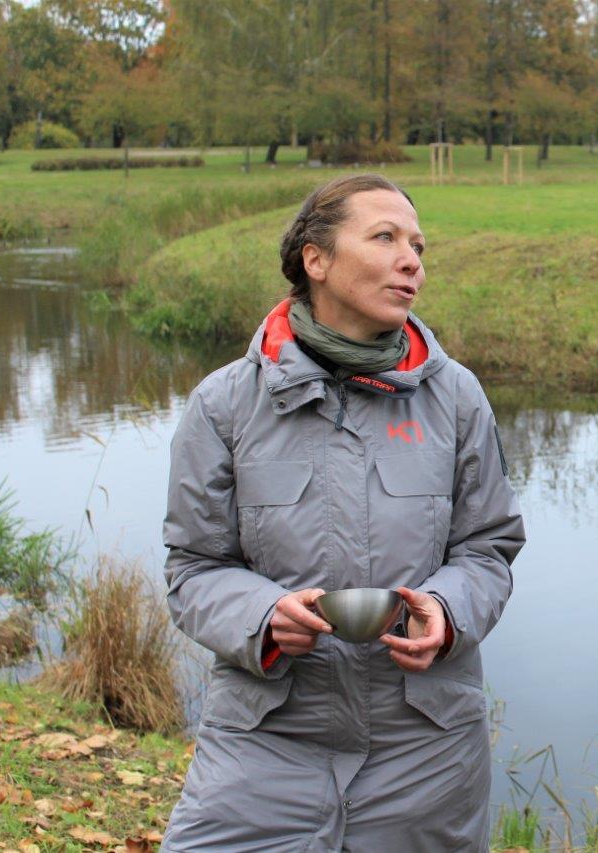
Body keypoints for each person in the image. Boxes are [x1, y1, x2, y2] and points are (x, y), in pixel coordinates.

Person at [160, 174, 525, 852]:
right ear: (315, 260)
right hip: (265, 735)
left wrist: (446, 611)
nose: (411, 258)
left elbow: (488, 548)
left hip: (425, 744)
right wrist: (263, 617)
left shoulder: (457, 397)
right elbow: (195, 567)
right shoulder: (225, 403)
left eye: (417, 243)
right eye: (384, 237)